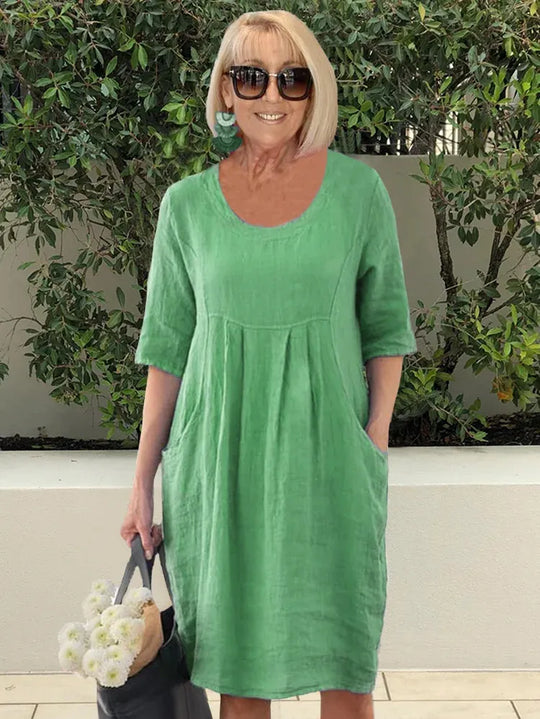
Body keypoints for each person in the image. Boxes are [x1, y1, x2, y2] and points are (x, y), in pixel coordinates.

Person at [120, 9, 417, 719]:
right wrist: (141, 482)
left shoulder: (358, 194)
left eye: (293, 78)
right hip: (218, 463)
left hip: (331, 461)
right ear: (226, 90)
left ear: (314, 90)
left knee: (346, 665)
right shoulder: (186, 207)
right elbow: (167, 351)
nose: (273, 95)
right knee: (237, 672)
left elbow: (386, 328)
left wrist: (373, 438)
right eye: (252, 77)